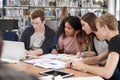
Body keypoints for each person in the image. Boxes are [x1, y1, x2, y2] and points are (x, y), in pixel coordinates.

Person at [67, 13, 120, 80]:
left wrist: (83, 66)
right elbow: (98, 58)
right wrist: (77, 62)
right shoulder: (116, 40)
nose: (97, 33)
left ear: (104, 27)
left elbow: (107, 73)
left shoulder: (115, 41)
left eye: (98, 29)